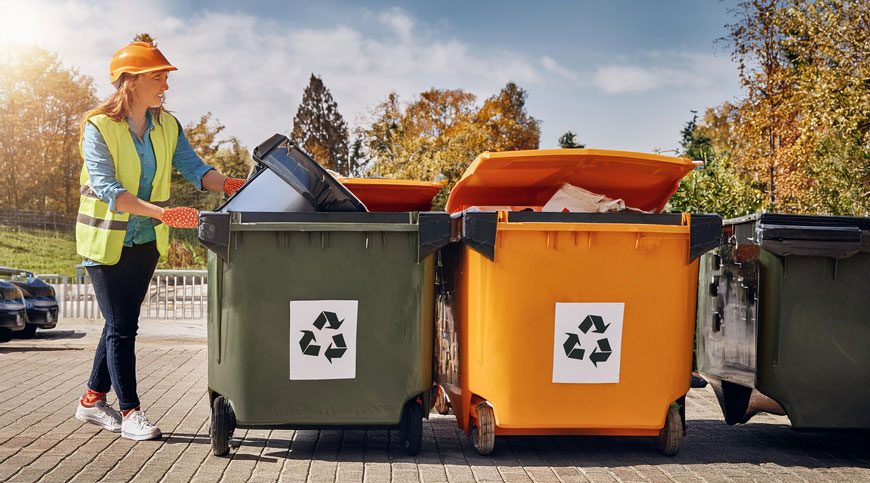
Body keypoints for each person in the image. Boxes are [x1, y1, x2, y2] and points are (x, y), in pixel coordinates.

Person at [73, 40, 246, 441]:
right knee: (122, 326)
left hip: (146, 241)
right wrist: (163, 213)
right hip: (105, 242)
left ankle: (91, 401)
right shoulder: (99, 126)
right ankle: (130, 411)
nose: (166, 83)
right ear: (129, 81)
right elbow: (107, 188)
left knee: (120, 323)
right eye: (158, 75)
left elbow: (196, 169)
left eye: (166, 75)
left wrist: (231, 184)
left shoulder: (167, 125)